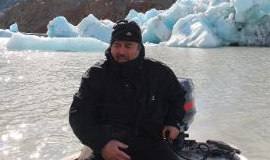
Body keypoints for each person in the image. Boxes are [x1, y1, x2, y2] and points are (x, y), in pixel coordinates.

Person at [69, 19, 185, 160]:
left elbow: (177, 98)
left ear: (139, 48)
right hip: (107, 145)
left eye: (128, 45)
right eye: (117, 45)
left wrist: (173, 122)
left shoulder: (159, 73)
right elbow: (78, 115)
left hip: (150, 143)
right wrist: (102, 144)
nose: (121, 51)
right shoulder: (96, 75)